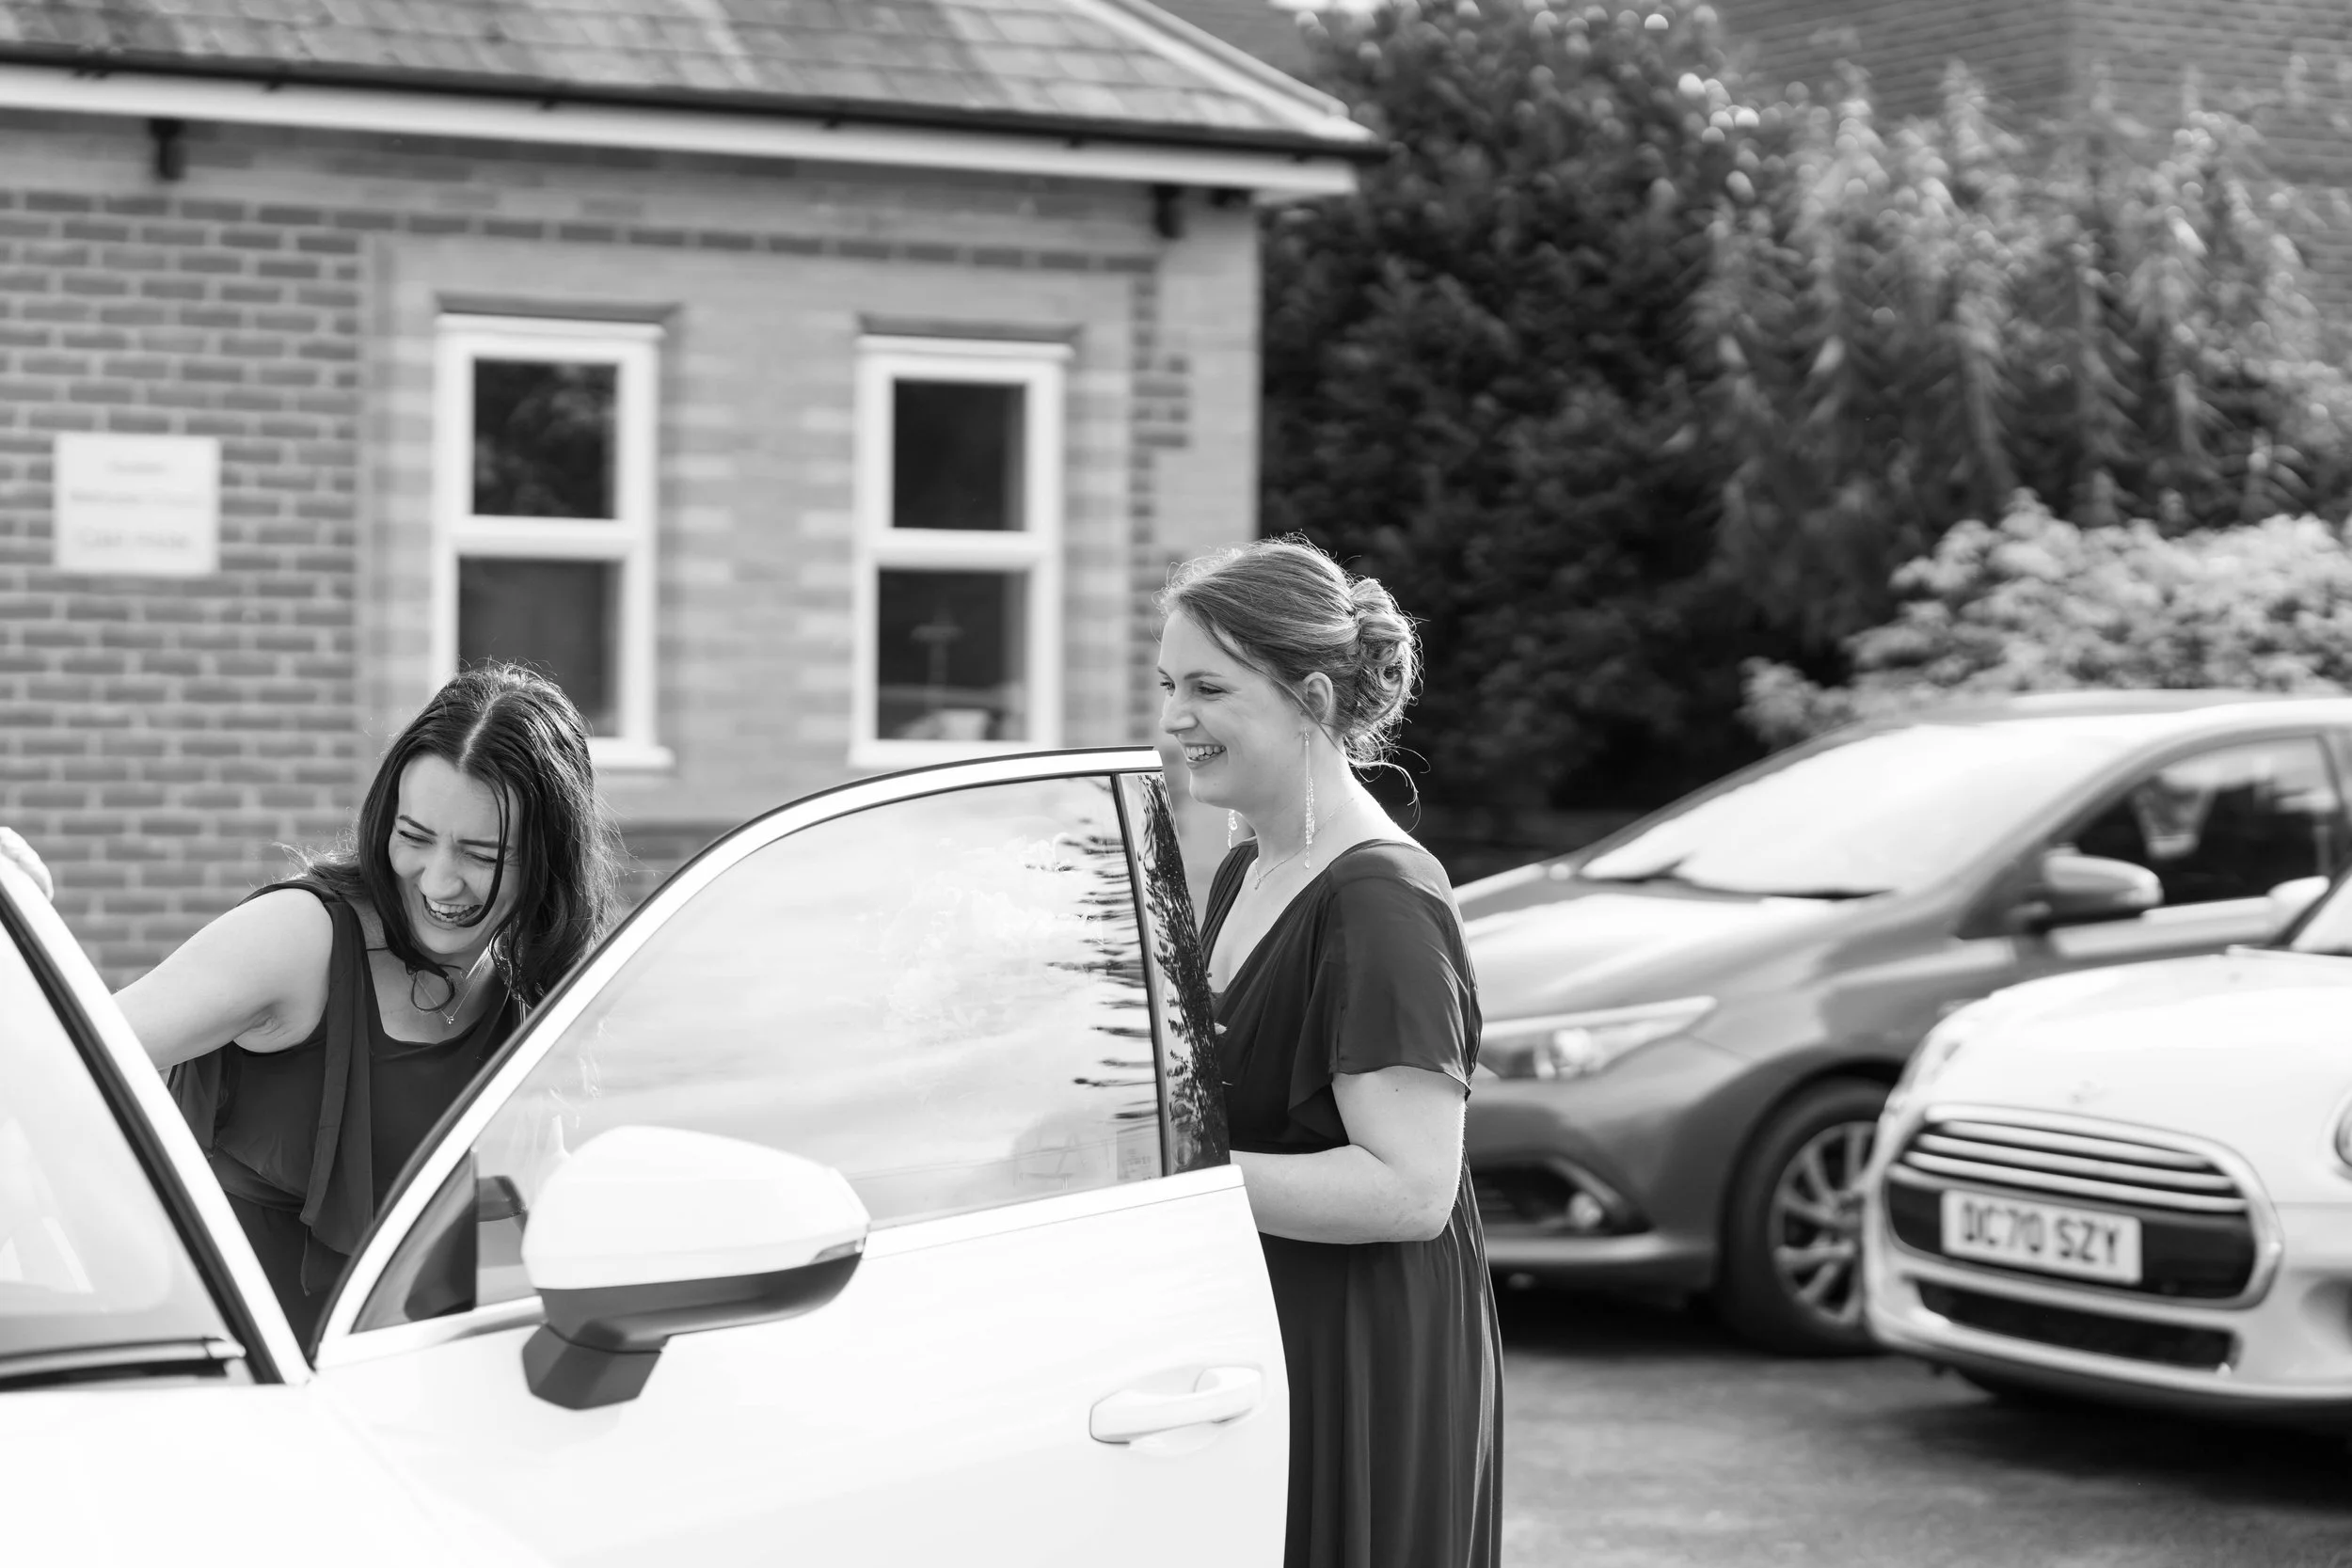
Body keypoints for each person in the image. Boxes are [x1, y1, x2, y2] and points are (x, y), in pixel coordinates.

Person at [1156, 538, 1502, 1568]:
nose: (1175, 717)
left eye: (1209, 686)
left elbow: (1409, 1188)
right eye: (1168, 683)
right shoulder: (1242, 865)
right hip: (1260, 1324)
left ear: (1308, 695)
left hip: (1355, 1346)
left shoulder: (1376, 898)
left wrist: (1166, 1174)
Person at [114, 664, 621, 1340]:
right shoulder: (299, 937)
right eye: (413, 836)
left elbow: (531, 1204)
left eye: (481, 852)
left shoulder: (521, 982)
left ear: (545, 857)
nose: (439, 878)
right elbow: (65, 1061)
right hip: (231, 1386)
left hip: (397, 1398)